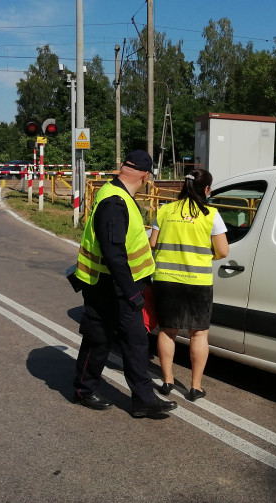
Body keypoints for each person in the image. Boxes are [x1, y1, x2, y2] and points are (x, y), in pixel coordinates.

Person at [73, 150, 178, 418]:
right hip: (107, 286)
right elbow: (113, 253)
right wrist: (132, 292)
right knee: (99, 340)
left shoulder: (115, 193)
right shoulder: (115, 202)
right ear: (145, 175)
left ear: (122, 168)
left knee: (135, 342)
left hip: (122, 285)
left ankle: (143, 400)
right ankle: (83, 391)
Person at [149, 168, 229, 401]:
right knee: (199, 333)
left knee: (167, 330)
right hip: (197, 281)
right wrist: (206, 256)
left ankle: (167, 381)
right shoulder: (211, 214)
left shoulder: (165, 210)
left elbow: (153, 243)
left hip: (165, 279)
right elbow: (223, 251)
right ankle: (195, 387)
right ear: (206, 189)